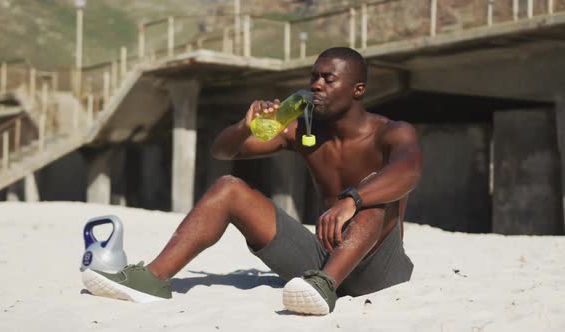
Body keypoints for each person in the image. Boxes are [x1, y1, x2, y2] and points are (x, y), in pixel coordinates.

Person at [82, 47, 423, 315]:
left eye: (328, 79)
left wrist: (353, 200)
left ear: (357, 90)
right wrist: (245, 127)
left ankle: (323, 285)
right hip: (322, 258)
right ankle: (151, 279)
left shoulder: (391, 132)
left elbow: (408, 171)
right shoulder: (301, 129)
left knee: (380, 188)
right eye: (314, 77)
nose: (316, 85)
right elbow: (223, 150)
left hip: (379, 270)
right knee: (228, 188)